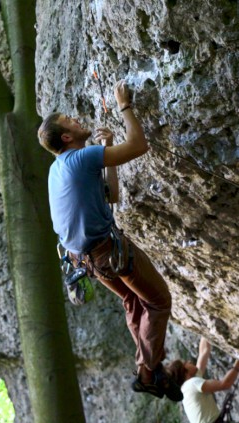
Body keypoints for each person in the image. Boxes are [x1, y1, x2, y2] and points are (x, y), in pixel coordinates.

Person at [38, 80, 182, 402]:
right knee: (159, 301)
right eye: (71, 122)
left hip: (86, 260)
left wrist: (109, 149)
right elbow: (139, 146)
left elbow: (111, 194)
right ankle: (147, 372)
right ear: (66, 137)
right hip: (108, 253)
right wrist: (124, 106)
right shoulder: (81, 158)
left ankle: (152, 368)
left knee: (133, 301)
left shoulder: (58, 168)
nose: (78, 121)